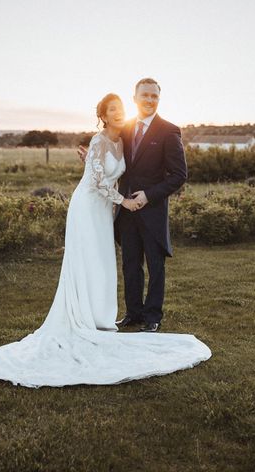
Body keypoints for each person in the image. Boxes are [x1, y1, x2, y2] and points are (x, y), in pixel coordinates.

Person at [0, 93, 210, 388]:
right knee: (90, 260)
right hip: (88, 207)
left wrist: (105, 177)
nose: (119, 112)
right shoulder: (99, 140)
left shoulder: (125, 138)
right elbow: (97, 181)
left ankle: (106, 317)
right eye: (113, 109)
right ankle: (86, 317)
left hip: (106, 210)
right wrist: (122, 200)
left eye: (121, 108)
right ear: (103, 115)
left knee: (104, 263)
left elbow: (127, 171)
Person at [78, 78, 186, 333]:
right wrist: (90, 160)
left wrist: (148, 195)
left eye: (154, 96)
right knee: (130, 264)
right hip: (125, 212)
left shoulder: (169, 131)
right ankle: (134, 313)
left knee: (155, 265)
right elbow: (107, 158)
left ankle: (152, 317)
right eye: (145, 95)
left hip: (152, 210)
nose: (149, 100)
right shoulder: (124, 129)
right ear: (135, 98)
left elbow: (179, 175)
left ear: (158, 99)